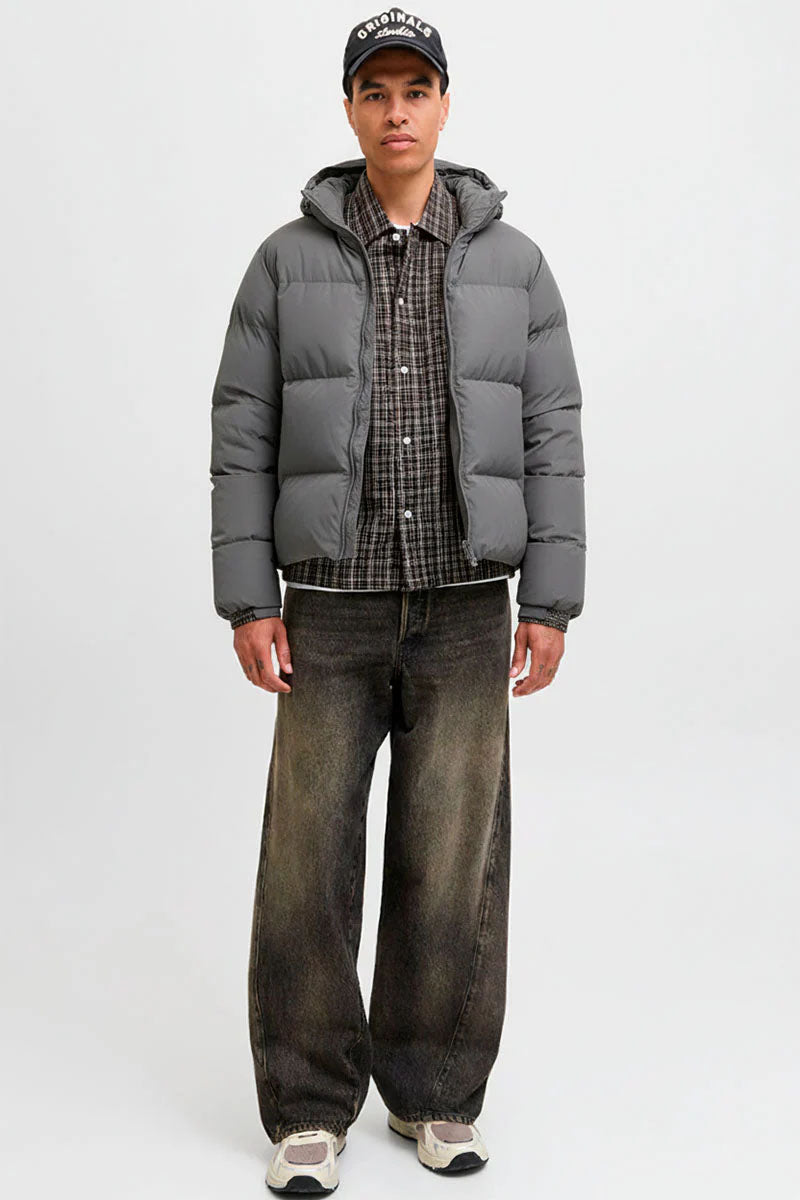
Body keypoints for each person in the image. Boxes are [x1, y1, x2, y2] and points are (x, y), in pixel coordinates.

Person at [209, 11, 586, 1193]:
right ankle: (307, 1106)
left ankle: (435, 1095)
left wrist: (549, 602)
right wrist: (248, 600)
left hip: (469, 605)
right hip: (327, 605)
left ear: (443, 102)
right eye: (373, 91)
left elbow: (551, 432)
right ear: (349, 110)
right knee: (305, 861)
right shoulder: (285, 260)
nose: (395, 110)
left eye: (414, 88)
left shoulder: (514, 263)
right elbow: (242, 432)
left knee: (453, 860)